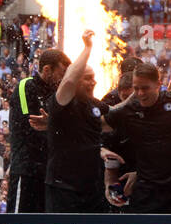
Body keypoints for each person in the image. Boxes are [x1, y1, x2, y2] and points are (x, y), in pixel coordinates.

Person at [104, 63, 171, 213]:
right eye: (136, 88)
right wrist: (101, 149)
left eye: (145, 88)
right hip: (146, 192)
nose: (140, 93)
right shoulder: (129, 109)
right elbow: (95, 126)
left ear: (158, 85)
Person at [44, 31, 108, 213]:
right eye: (88, 78)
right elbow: (70, 79)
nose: (94, 82)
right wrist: (87, 48)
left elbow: (116, 116)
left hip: (91, 189)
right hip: (64, 189)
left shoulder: (93, 105)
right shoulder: (61, 102)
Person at [6, 46, 69, 213]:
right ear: (47, 70)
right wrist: (55, 125)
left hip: (50, 175)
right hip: (26, 170)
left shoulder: (59, 94)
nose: (63, 79)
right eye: (61, 73)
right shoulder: (26, 86)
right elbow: (32, 123)